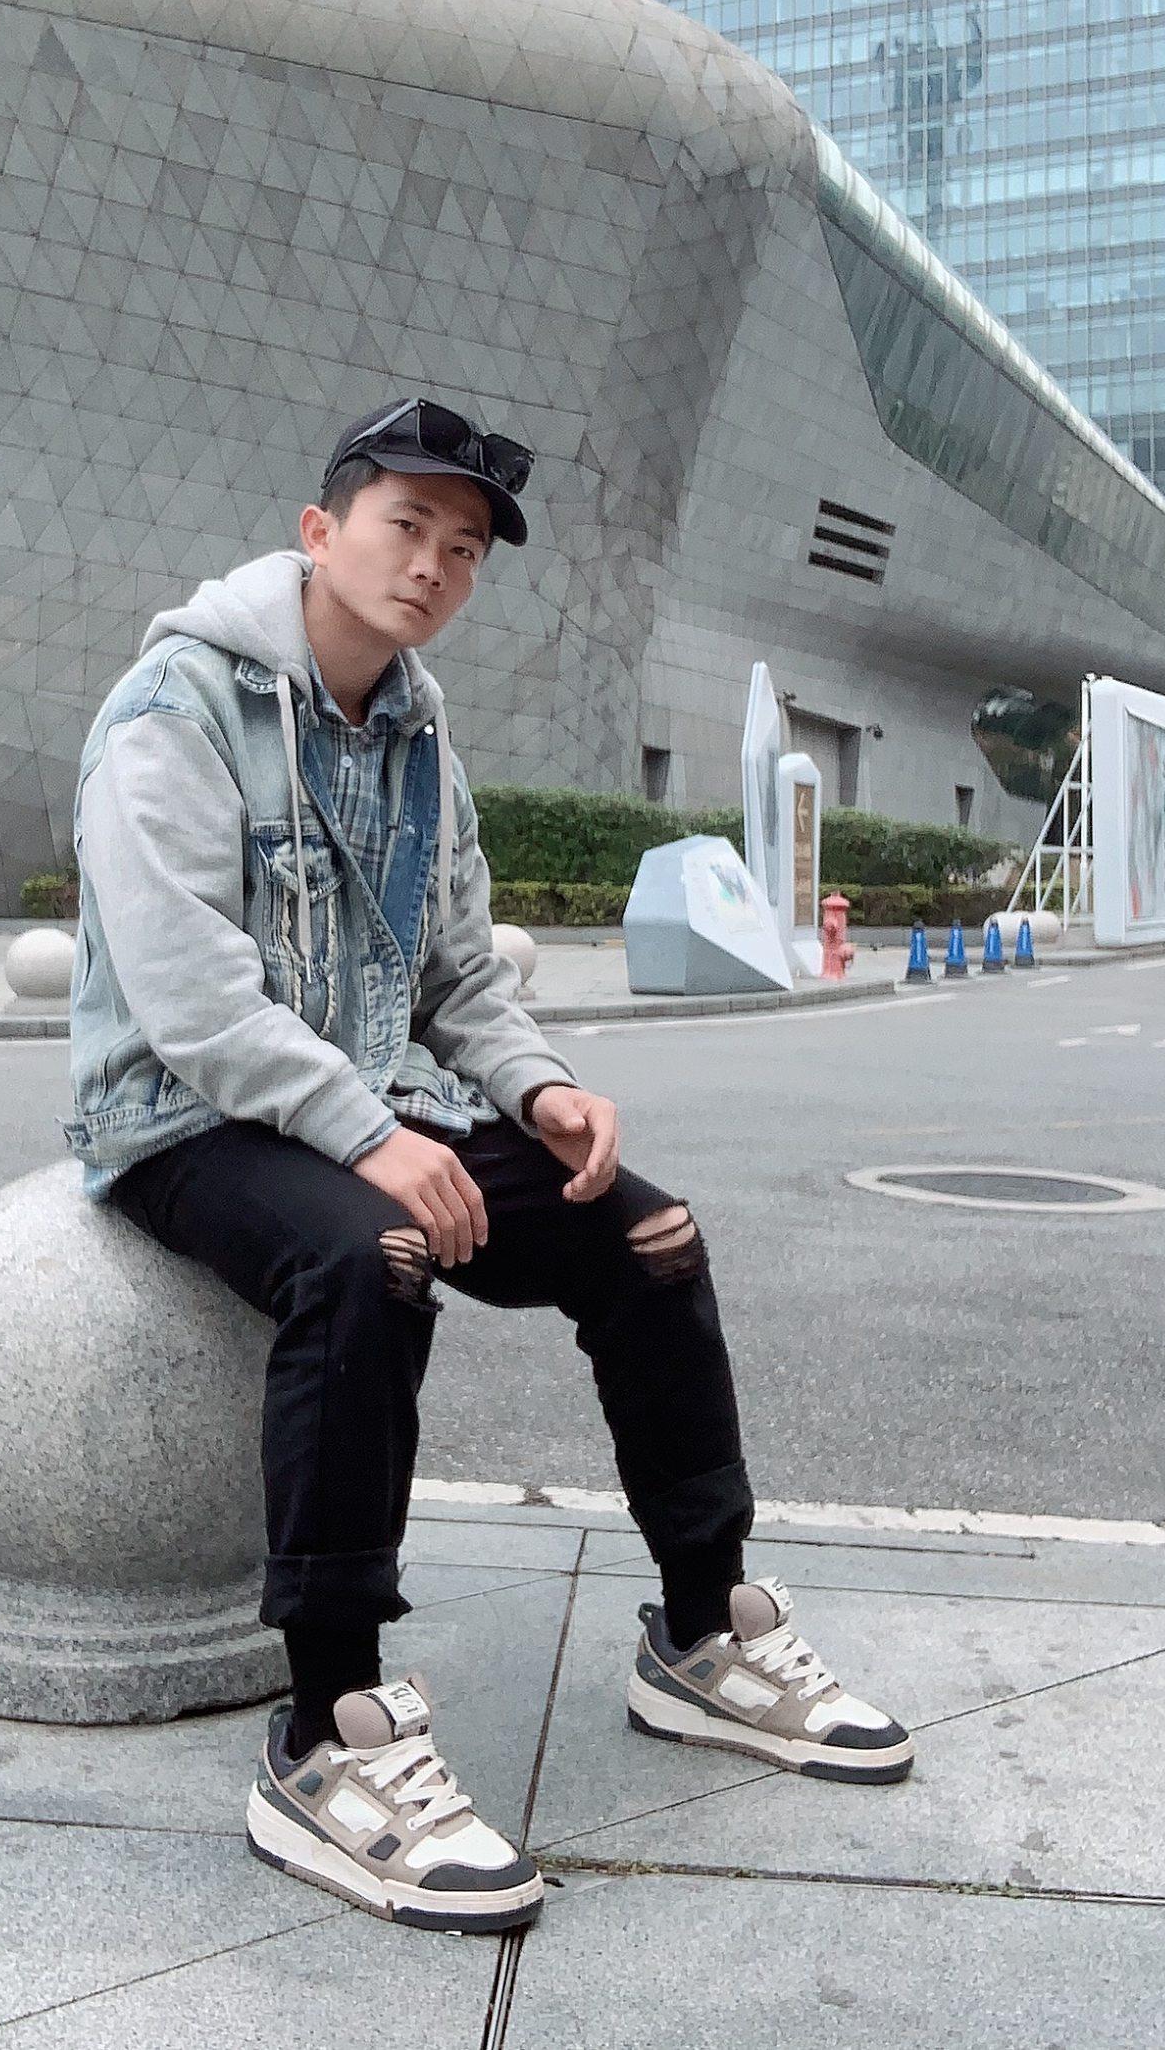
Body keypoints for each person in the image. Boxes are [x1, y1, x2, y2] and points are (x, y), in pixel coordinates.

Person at [67, 397, 911, 1935]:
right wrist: (372, 1140)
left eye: (464, 550)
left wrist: (543, 1088)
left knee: (647, 1234)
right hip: (183, 1118)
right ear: (320, 532)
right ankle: (327, 1730)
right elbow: (189, 1004)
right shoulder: (173, 713)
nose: (434, 567)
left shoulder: (418, 728)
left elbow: (461, 973)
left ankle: (703, 1629)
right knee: (370, 1256)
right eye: (408, 528)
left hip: (378, 1104)